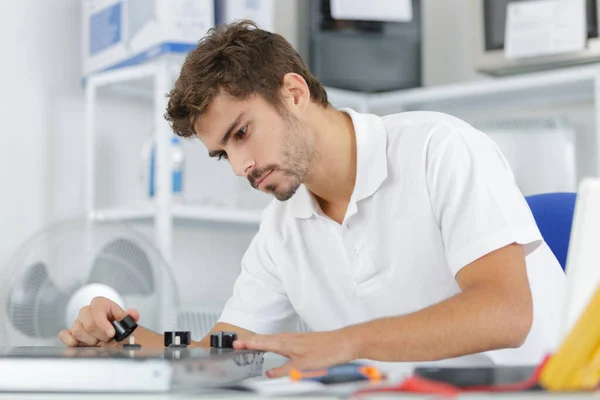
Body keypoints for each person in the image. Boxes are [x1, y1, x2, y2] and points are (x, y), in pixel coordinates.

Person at [60, 20, 566, 378]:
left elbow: (505, 312)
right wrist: (127, 339)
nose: (241, 167)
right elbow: (223, 351)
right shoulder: (282, 230)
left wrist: (346, 343)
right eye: (223, 155)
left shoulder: (440, 149)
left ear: (294, 93)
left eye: (242, 133)